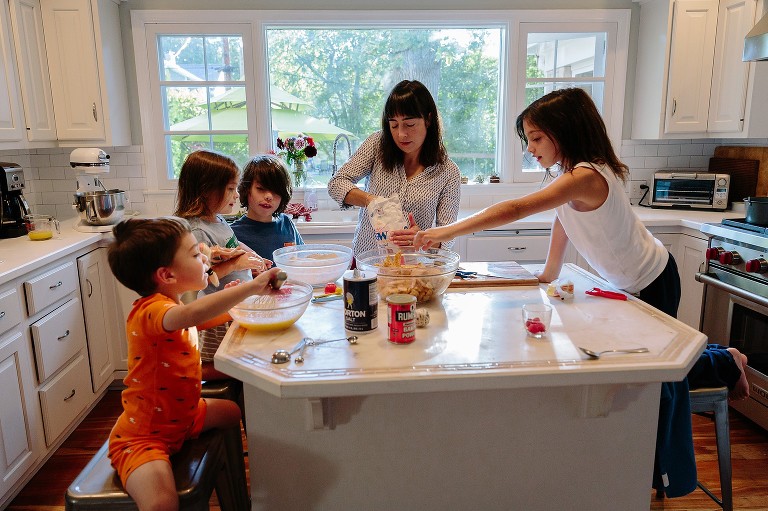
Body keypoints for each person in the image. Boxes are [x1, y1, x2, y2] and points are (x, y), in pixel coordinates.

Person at [413, 87, 748, 498]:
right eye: (528, 139)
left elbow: (515, 209)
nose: (531, 148)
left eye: (536, 138)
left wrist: (442, 232)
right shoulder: (568, 175)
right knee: (637, 366)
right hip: (627, 283)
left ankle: (722, 364)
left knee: (652, 372)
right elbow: (562, 219)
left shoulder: (587, 175)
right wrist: (549, 272)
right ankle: (714, 364)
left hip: (653, 279)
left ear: (564, 131)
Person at [106, 216, 282, 510]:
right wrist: (251, 288)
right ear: (167, 276)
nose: (204, 257)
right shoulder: (152, 312)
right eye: (194, 254)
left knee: (231, 411)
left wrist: (231, 304)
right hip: (145, 435)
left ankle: (231, 483)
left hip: (184, 416)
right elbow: (190, 317)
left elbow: (197, 319)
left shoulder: (171, 305)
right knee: (162, 503)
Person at [328, 79, 461, 256]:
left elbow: (448, 236)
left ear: (428, 119)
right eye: (394, 125)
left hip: (414, 268)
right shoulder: (377, 145)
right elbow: (336, 183)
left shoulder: (448, 173)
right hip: (368, 263)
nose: (401, 134)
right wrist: (372, 201)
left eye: (409, 124)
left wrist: (424, 239)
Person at [173, 150, 271, 379]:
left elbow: (234, 244)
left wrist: (254, 256)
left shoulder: (216, 220)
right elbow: (200, 277)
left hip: (232, 307)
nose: (236, 195)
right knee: (229, 364)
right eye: (230, 189)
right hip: (215, 316)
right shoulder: (196, 230)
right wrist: (237, 266)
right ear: (206, 190)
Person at [231, 154, 304, 260]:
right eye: (261, 188)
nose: (269, 196)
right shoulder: (233, 233)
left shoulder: (286, 223)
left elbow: (302, 259)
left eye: (276, 191)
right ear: (246, 189)